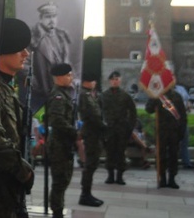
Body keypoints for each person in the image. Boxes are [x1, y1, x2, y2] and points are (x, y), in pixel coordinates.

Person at [0, 18, 34, 218]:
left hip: (9, 187)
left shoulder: (4, 87)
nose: (26, 54)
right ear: (4, 49)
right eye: (20, 48)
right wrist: (25, 171)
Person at [44, 63, 76, 218]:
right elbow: (56, 120)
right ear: (59, 77)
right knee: (59, 181)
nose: (71, 78)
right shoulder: (58, 96)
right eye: (68, 75)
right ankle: (57, 212)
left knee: (63, 179)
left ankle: (58, 209)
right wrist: (74, 132)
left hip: (64, 143)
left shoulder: (63, 94)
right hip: (59, 145)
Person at [29, 2, 72, 109]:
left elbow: (66, 61)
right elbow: (25, 63)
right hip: (41, 90)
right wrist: (36, 84)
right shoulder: (33, 37)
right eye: (48, 17)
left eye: (54, 16)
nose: (52, 20)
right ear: (41, 18)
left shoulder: (62, 36)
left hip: (60, 90)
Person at [146, 84, 187, 189]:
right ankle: (162, 178)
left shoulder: (177, 96)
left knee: (174, 155)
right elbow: (148, 109)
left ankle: (172, 179)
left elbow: (182, 115)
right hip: (161, 131)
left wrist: (181, 131)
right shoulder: (158, 96)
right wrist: (153, 98)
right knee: (161, 155)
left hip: (174, 131)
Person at [100, 70, 137, 185]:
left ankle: (120, 176)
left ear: (120, 81)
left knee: (121, 152)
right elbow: (97, 111)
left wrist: (129, 127)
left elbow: (133, 112)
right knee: (110, 152)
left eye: (117, 80)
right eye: (113, 80)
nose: (115, 82)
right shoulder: (104, 96)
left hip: (122, 128)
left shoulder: (125, 96)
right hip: (109, 128)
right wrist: (101, 126)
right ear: (110, 81)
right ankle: (110, 175)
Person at [76, 73, 104, 206]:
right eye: (92, 80)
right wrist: (103, 126)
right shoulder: (84, 95)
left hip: (96, 133)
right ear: (86, 82)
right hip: (91, 133)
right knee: (90, 164)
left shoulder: (92, 95)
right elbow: (91, 114)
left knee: (93, 164)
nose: (94, 82)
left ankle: (87, 193)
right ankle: (85, 195)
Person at [175, 83, 194, 168]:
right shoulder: (164, 90)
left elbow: (187, 100)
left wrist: (189, 106)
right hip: (172, 119)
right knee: (173, 142)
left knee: (184, 141)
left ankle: (186, 162)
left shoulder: (181, 88)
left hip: (183, 118)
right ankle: (171, 163)